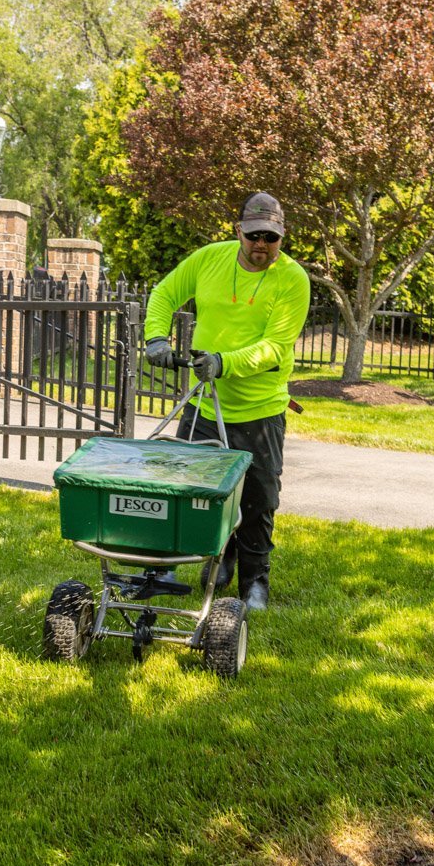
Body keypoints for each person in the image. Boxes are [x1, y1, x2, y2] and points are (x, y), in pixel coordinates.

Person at [143, 192, 311, 611]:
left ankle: (255, 581)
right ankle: (169, 567)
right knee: (187, 489)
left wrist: (224, 362)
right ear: (238, 231)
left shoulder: (293, 279)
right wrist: (157, 337)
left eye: (271, 238)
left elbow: (275, 347)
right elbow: (164, 293)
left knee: (258, 500)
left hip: (260, 411)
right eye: (254, 235)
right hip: (203, 404)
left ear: (282, 236)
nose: (261, 245)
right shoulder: (208, 260)